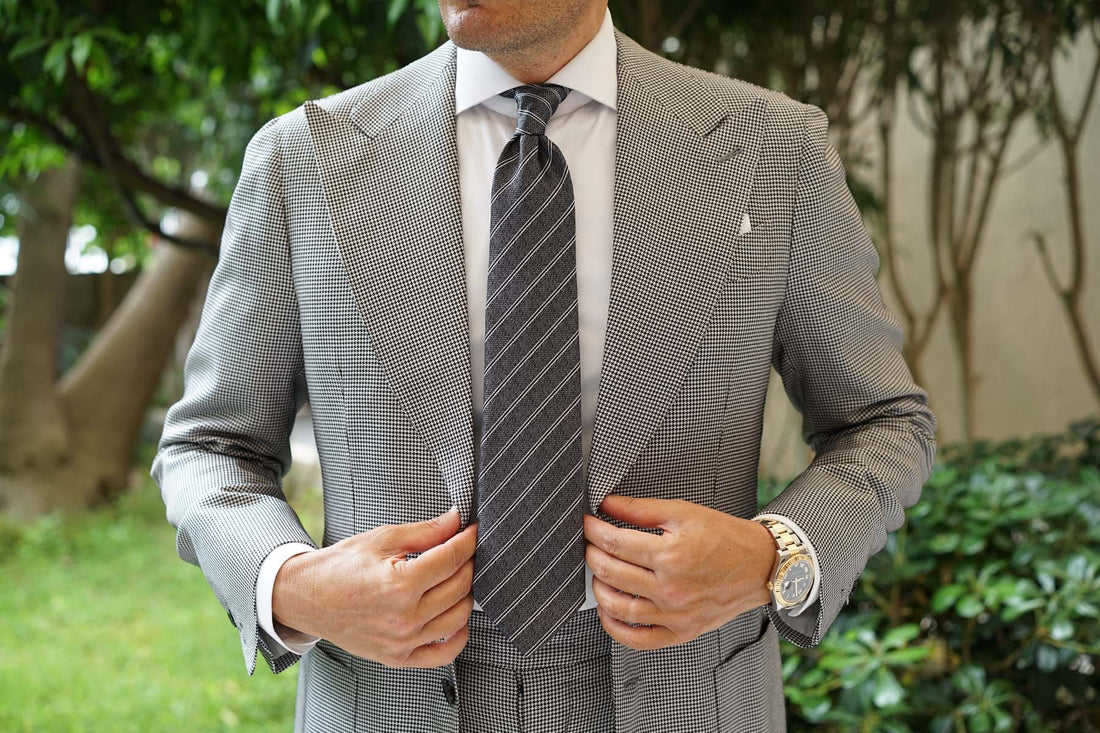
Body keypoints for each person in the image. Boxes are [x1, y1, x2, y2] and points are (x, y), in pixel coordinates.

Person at [150, 1, 938, 731]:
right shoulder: (301, 160)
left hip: (687, 700)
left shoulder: (772, 151)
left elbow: (883, 423)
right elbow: (209, 445)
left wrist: (774, 555)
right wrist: (293, 586)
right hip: (385, 702)